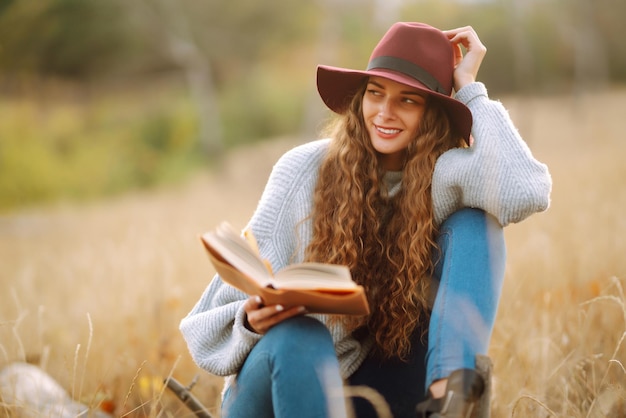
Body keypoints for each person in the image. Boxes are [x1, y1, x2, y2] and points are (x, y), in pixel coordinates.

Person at [180, 22, 551, 418]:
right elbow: (202, 330)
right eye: (375, 93)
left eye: (408, 100)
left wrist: (471, 90)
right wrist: (250, 320)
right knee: (302, 335)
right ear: (360, 99)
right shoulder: (303, 171)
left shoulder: (441, 177)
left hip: (368, 393)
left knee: (475, 224)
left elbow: (524, 191)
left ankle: (450, 400)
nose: (385, 113)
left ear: (434, 112)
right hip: (274, 384)